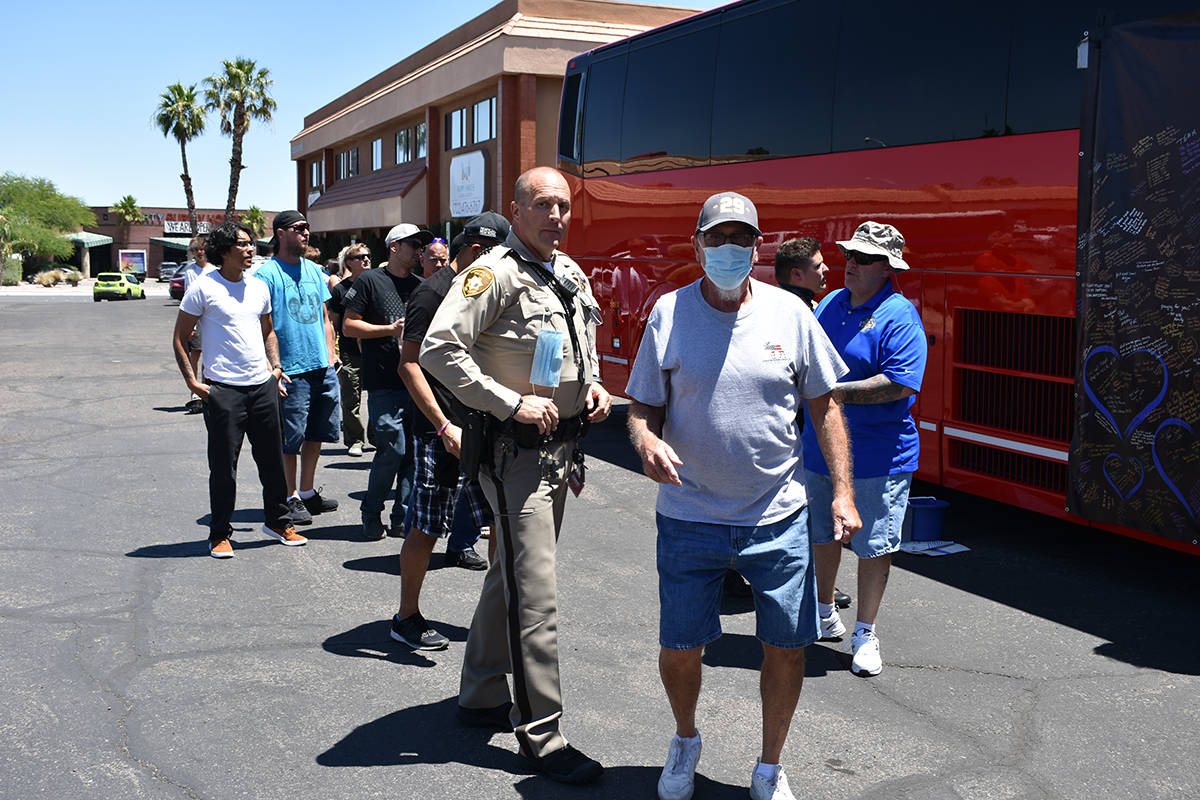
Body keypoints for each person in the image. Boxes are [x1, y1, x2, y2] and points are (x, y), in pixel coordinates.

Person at [625, 191, 860, 800]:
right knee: (681, 646)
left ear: (759, 248)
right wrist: (646, 442)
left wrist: (842, 491)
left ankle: (769, 764)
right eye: (718, 238)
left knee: (787, 645)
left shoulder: (791, 313)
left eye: (742, 239)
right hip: (689, 514)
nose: (730, 250)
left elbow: (826, 406)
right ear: (697, 243)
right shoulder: (669, 313)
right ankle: (684, 740)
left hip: (777, 515)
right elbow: (642, 405)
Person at [421, 167, 611, 785]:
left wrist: (595, 388)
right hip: (514, 454)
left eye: (563, 205)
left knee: (512, 574)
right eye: (543, 205)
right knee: (538, 593)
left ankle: (481, 691)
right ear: (516, 209)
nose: (556, 215)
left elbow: (573, 348)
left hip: (560, 449)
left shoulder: (568, 270)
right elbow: (438, 349)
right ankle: (542, 735)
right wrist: (508, 402)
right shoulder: (493, 273)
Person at [800, 221, 927, 678]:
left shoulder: (899, 315)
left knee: (874, 547)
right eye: (849, 254)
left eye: (863, 257)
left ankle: (865, 633)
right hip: (820, 449)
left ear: (887, 267)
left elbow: (899, 383)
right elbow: (807, 356)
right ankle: (823, 611)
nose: (850, 263)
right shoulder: (831, 303)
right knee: (822, 532)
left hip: (879, 455)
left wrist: (833, 393)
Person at [389, 212, 511, 649]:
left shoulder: (492, 291)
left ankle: (497, 615)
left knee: (501, 520)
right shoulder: (431, 292)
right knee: (426, 527)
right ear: (478, 253)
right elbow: (409, 365)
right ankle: (406, 617)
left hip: (487, 427)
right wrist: (444, 426)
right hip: (438, 432)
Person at [170, 221, 306, 557]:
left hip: (262, 387)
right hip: (223, 391)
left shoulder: (258, 287)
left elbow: (268, 332)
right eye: (244, 244)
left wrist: (275, 368)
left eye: (251, 244)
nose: (251, 250)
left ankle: (277, 521)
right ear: (225, 250)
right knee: (223, 467)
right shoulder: (203, 288)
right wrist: (192, 382)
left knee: (272, 462)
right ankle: (219, 533)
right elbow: (179, 338)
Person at [775, 236, 853, 611]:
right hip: (798, 429)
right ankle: (811, 586)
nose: (827, 271)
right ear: (796, 274)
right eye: (819, 266)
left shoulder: (789, 304)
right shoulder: (798, 311)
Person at [342, 223, 431, 540]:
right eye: (412, 244)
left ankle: (402, 516)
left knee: (411, 455)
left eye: (421, 245)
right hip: (383, 381)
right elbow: (349, 327)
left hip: (418, 382)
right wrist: (390, 331)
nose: (418, 250)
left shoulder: (422, 285)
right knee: (392, 448)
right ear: (394, 247)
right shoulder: (369, 281)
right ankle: (371, 510)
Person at [253, 211, 342, 526]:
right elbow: (259, 327)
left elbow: (325, 318)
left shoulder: (315, 272)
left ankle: (306, 492)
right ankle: (289, 497)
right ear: (280, 233)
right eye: (299, 228)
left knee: (316, 433)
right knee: (290, 438)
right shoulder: (266, 276)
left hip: (322, 367)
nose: (306, 233)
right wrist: (271, 368)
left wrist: (331, 356)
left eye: (307, 228)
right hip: (290, 370)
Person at [327, 244, 373, 457]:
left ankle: (377, 436)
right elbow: (334, 324)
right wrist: (332, 351)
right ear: (348, 263)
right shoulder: (340, 290)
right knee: (351, 397)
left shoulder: (378, 283)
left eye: (368, 256)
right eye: (359, 257)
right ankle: (355, 439)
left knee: (378, 396)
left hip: (375, 350)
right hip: (349, 351)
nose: (365, 259)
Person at [181, 235, 211, 413]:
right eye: (196, 250)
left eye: (202, 249)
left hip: (210, 318)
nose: (200, 253)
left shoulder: (214, 269)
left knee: (208, 356)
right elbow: (186, 297)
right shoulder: (190, 272)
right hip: (195, 318)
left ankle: (207, 389)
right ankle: (195, 391)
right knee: (195, 355)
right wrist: (190, 326)